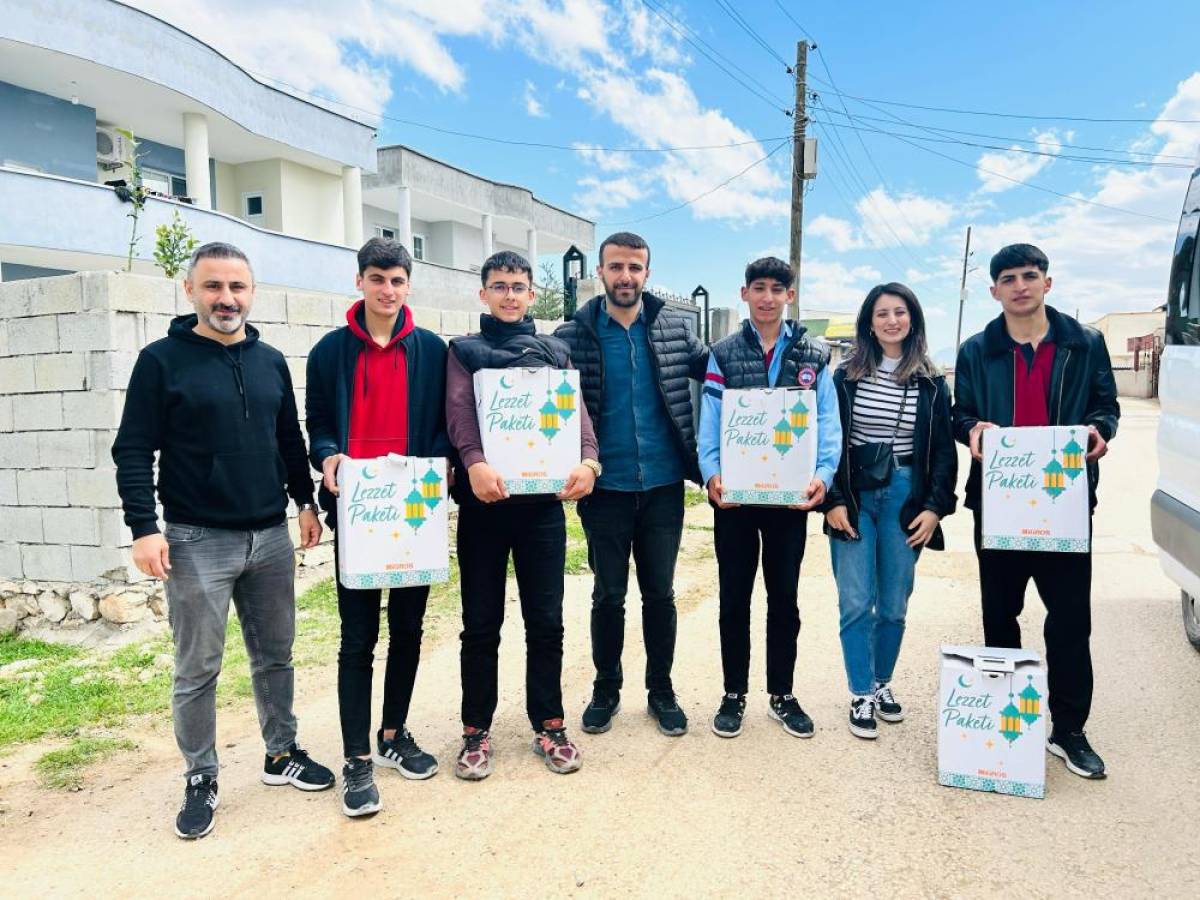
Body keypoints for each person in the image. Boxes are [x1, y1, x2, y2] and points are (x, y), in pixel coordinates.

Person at [112, 241, 334, 841]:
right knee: (197, 668)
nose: (226, 299)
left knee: (275, 657)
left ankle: (280, 753)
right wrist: (143, 527)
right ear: (191, 292)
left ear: (251, 293)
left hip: (269, 537)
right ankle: (201, 774)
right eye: (213, 287)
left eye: (237, 287)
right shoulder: (161, 361)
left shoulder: (270, 361)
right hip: (194, 540)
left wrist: (305, 504)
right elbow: (132, 449)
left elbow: (289, 439)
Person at [953, 243, 1119, 779]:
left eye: (1030, 276)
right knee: (1000, 615)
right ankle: (1007, 724)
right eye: (1009, 278)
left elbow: (1105, 407)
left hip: (1062, 502)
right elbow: (962, 414)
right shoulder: (977, 349)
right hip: (999, 505)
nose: (1020, 285)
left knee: (1069, 619)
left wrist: (1100, 432)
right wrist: (972, 431)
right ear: (995, 290)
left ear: (1047, 282)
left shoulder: (1085, 343)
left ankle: (1068, 730)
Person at [306, 237, 451, 817]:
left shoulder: (435, 352)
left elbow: (443, 425)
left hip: (413, 511)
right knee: (358, 637)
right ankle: (356, 760)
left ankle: (392, 735)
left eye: (396, 280)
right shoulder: (328, 352)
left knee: (410, 629)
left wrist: (436, 472)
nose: (386, 290)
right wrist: (328, 456)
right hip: (358, 512)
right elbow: (318, 423)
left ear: (408, 284)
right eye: (376, 278)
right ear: (360, 281)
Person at [445, 250, 600, 780]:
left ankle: (549, 723)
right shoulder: (464, 351)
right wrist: (474, 463)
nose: (509, 294)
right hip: (484, 507)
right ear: (482, 293)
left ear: (533, 295)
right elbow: (461, 415)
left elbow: (575, 416)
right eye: (499, 285)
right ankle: (475, 731)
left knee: (547, 622)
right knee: (481, 623)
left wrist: (588, 460)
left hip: (541, 512)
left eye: (518, 286)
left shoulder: (556, 352)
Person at [555, 232, 708, 736]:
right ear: (599, 272)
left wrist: (799, 367)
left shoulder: (673, 329)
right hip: (604, 488)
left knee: (660, 595)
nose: (626, 276)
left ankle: (661, 691)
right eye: (616, 266)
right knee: (607, 595)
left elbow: (725, 374)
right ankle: (606, 688)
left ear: (647, 272)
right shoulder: (570, 336)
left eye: (635, 268)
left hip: (664, 485)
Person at [698, 257, 842, 739]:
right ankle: (733, 694)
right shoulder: (722, 352)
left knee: (785, 600)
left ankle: (782, 693)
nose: (767, 297)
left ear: (789, 296)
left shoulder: (815, 355)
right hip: (734, 502)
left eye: (776, 289)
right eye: (758, 288)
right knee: (733, 600)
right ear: (744, 294)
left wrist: (823, 476)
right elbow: (710, 422)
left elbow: (827, 424)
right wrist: (712, 474)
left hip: (789, 502)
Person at [824, 283, 957, 740]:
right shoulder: (843, 376)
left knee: (894, 605)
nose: (891, 320)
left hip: (905, 493)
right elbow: (828, 443)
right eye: (882, 313)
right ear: (869, 321)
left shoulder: (932, 382)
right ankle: (860, 692)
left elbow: (942, 451)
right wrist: (833, 500)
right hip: (855, 495)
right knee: (857, 600)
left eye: (900, 312)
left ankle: (882, 683)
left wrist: (936, 507)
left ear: (913, 319)